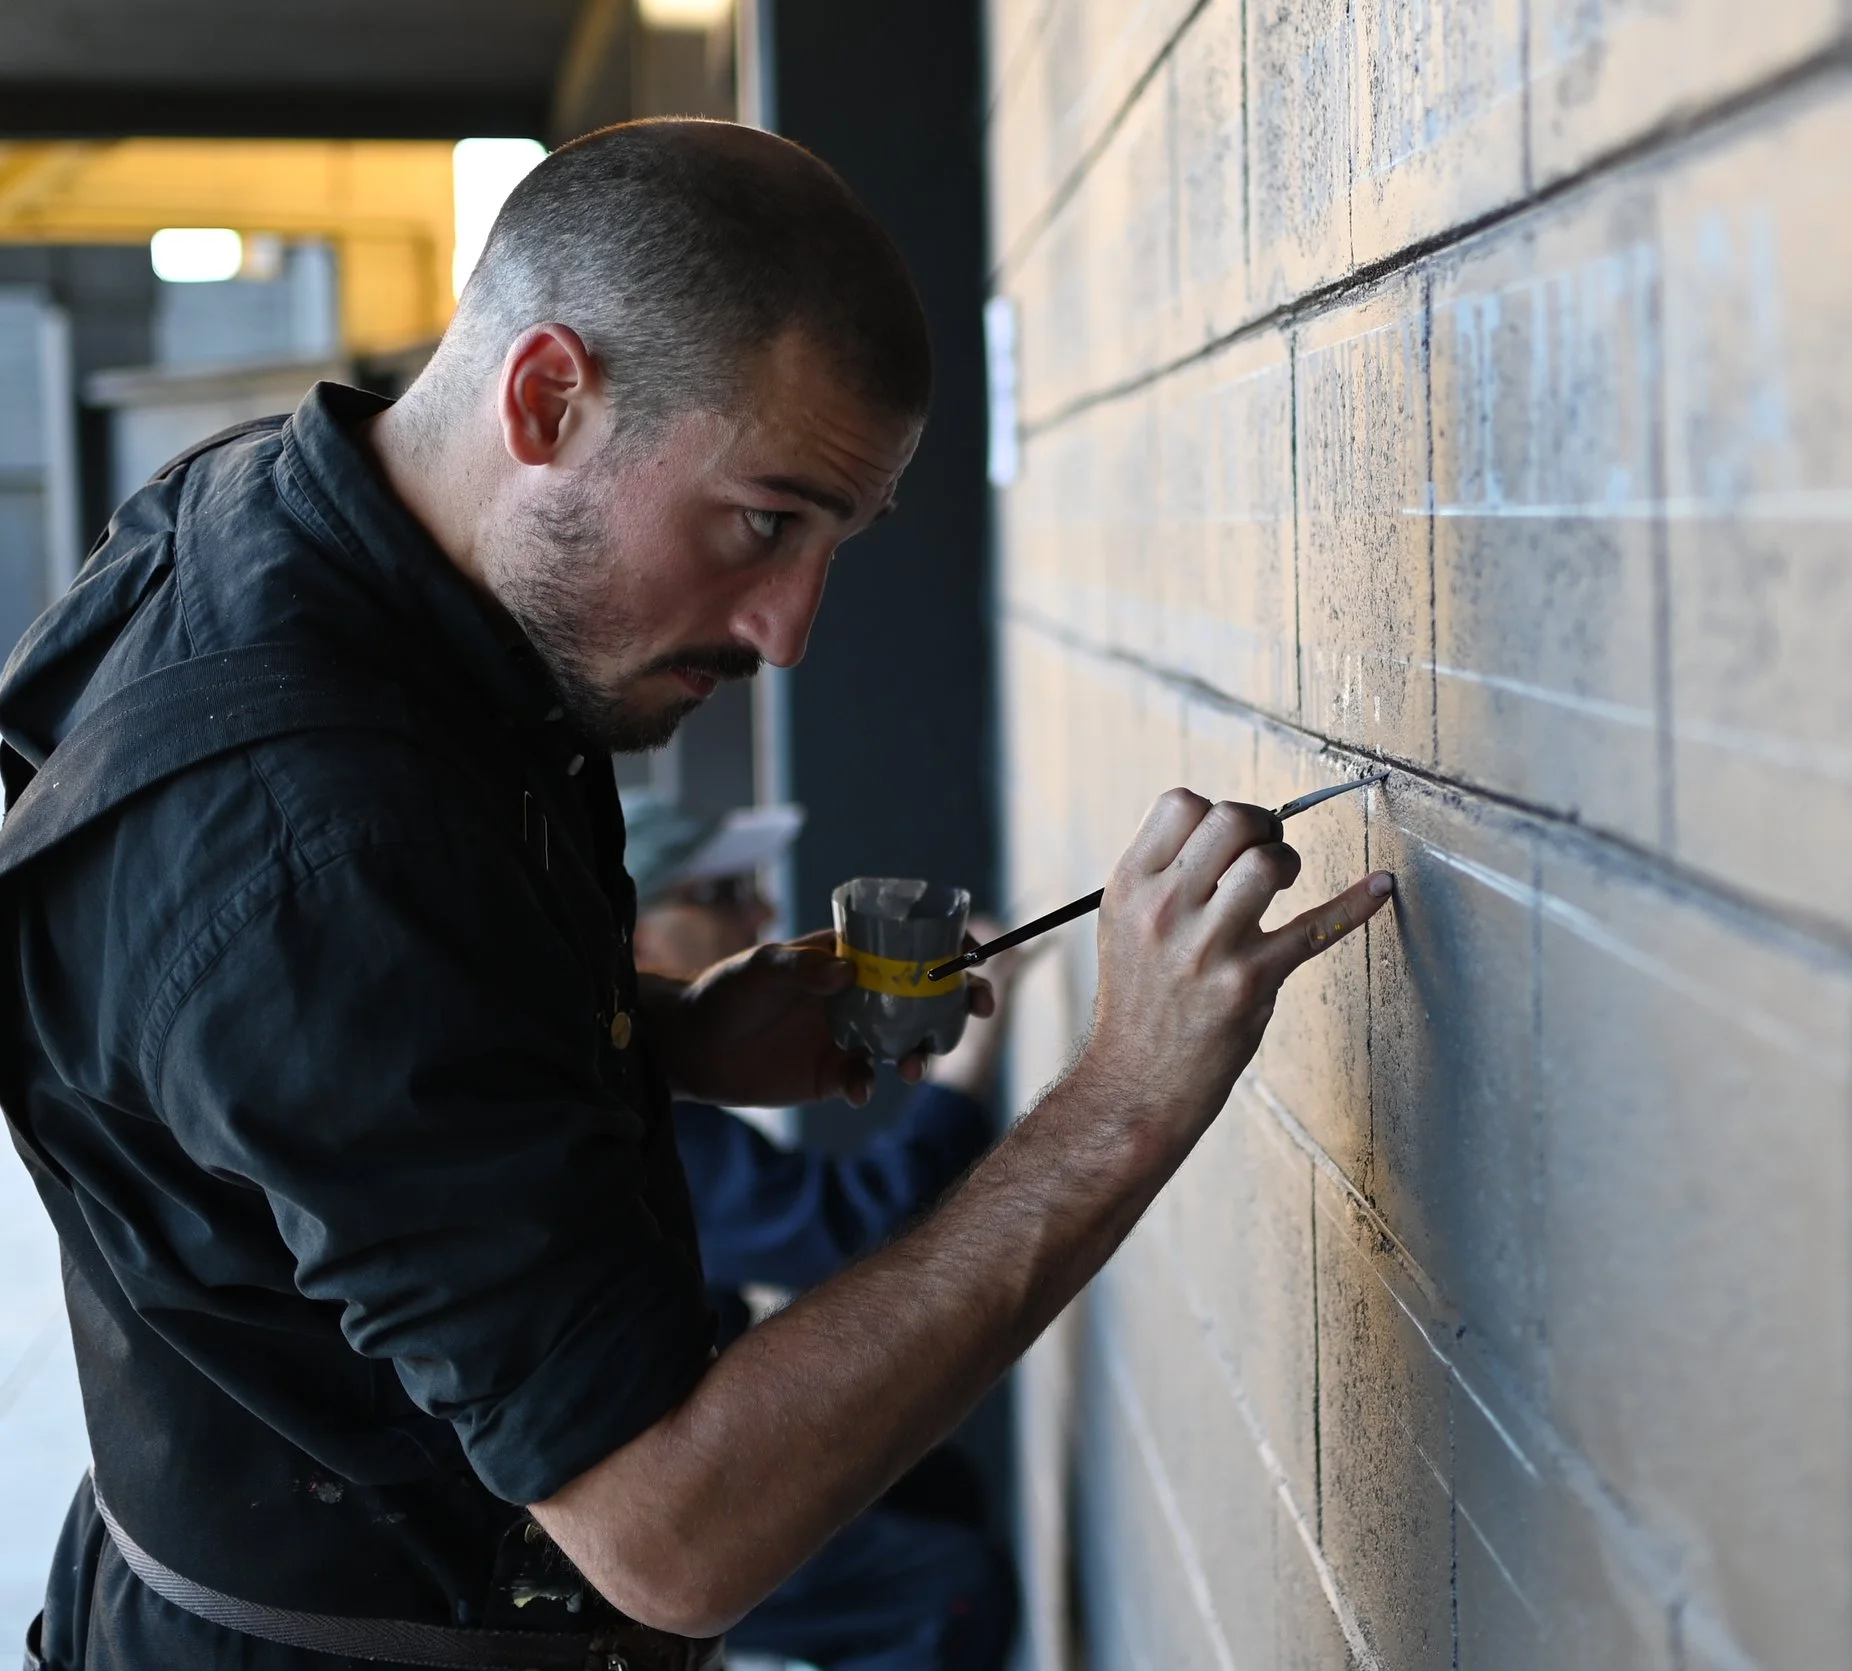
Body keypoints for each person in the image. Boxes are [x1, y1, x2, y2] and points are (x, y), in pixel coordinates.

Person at [0, 117, 1391, 1671]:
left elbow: (231, 1056)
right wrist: (1126, 1094)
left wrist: (657, 1032)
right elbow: (677, 1530)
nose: (790, 628)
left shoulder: (290, 525)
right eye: (763, 520)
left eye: (836, 542)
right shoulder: (316, 853)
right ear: (545, 398)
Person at [622, 792, 1019, 1671]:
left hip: (675, 1486)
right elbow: (856, 1230)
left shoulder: (659, 1091)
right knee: (943, 1592)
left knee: (937, 1491)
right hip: (629, 1531)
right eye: (723, 892)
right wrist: (962, 1074)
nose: (762, 912)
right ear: (641, 942)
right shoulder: (643, 1127)